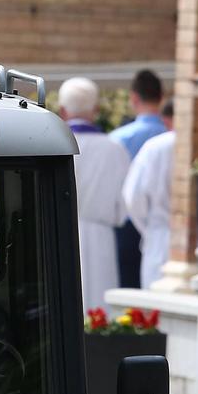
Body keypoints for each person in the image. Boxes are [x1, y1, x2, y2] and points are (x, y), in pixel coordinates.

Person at [57, 77, 131, 313]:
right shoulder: (114, 149)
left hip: (59, 236)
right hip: (101, 240)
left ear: (62, 110)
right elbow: (124, 205)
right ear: (96, 110)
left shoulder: (52, 146)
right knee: (101, 311)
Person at [109, 69, 168, 289]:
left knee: (127, 289)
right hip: (159, 224)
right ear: (162, 98)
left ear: (133, 98)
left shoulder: (117, 139)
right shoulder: (171, 136)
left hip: (127, 225)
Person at [121, 99, 177, 289]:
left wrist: (147, 227)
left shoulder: (155, 147)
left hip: (158, 235)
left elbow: (132, 196)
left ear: (167, 120)